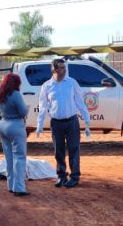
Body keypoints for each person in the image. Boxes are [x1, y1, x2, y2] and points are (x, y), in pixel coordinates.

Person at [36, 58, 90, 188]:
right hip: (56, 123)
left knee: (74, 149)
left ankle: (74, 177)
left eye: (64, 67)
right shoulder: (47, 86)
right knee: (58, 151)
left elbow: (80, 102)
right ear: (54, 69)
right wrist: (39, 125)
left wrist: (87, 121)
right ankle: (61, 176)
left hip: (72, 122)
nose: (64, 70)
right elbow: (42, 106)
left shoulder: (72, 83)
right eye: (61, 67)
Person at [0, 73, 30, 196]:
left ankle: (10, 185)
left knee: (9, 157)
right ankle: (19, 188)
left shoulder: (0, 93)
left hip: (2, 125)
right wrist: (27, 108)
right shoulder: (15, 94)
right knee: (19, 157)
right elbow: (22, 111)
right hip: (15, 126)